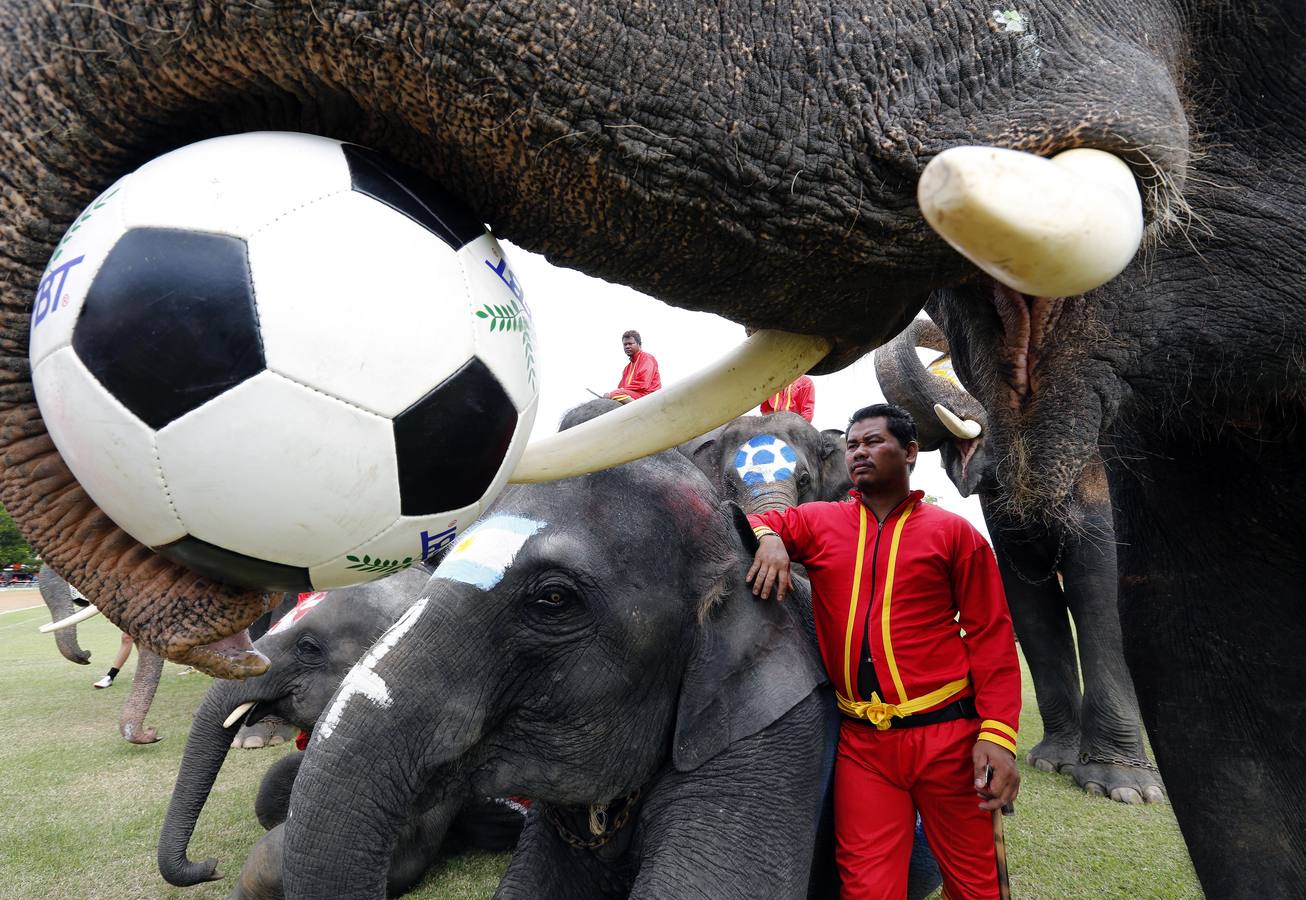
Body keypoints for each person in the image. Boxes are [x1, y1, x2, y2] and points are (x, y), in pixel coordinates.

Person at [746, 403, 1020, 899]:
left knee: (975, 884)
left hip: (948, 739)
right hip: (864, 746)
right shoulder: (818, 522)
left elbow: (992, 638)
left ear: (910, 452)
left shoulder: (955, 534)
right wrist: (769, 539)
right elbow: (756, 517)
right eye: (852, 445)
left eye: (873, 442)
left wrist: (998, 737)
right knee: (867, 888)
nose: (859, 453)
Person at [605, 330, 661, 403]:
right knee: (614, 394)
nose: (627, 346)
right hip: (637, 395)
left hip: (649, 395)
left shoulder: (647, 358)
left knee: (615, 394)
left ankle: (640, 410)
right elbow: (621, 387)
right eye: (625, 344)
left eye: (630, 344)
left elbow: (642, 383)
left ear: (639, 344)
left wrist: (613, 393)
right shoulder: (627, 368)